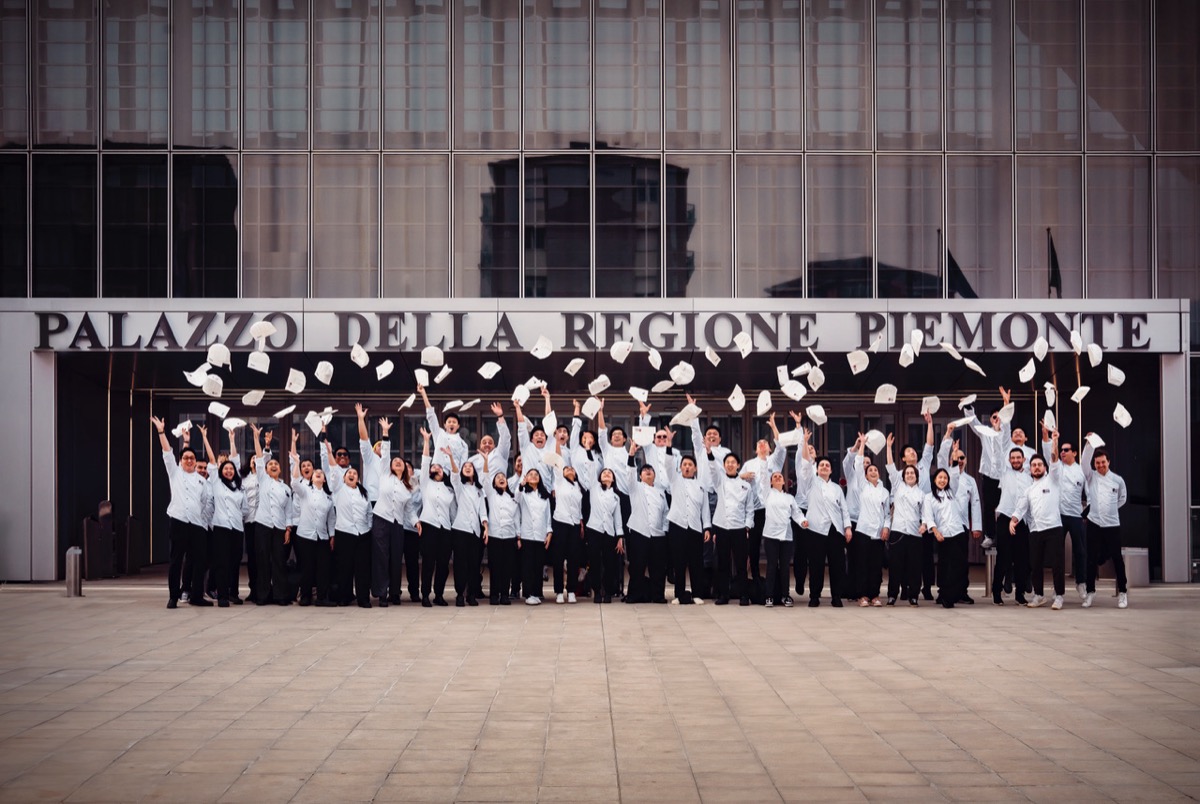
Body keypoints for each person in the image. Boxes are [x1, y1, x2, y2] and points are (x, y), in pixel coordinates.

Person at [150, 416, 213, 609]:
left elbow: (204, 504)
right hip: (178, 521)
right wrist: (161, 431)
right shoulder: (175, 473)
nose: (189, 460)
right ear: (181, 460)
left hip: (197, 526)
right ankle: (173, 596)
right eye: (185, 458)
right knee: (176, 560)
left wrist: (203, 525)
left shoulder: (202, 480)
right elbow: (167, 452)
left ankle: (196, 596)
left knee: (198, 561)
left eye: (192, 458)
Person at [1010, 430, 1067, 610]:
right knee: (1035, 565)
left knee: (1057, 565)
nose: (1036, 467)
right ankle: (1039, 595)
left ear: (1045, 467)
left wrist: (1055, 442)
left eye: (1039, 465)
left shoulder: (1053, 479)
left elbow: (1054, 458)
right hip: (1035, 531)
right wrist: (1013, 520)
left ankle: (1059, 596)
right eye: (1033, 465)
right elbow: (1020, 508)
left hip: (1054, 528)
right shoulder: (1028, 489)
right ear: (1030, 467)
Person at [798, 436, 853, 608]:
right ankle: (814, 596)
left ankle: (836, 596)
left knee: (837, 565)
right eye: (821, 465)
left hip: (835, 531)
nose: (824, 467)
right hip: (816, 530)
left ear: (831, 470)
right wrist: (805, 443)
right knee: (816, 565)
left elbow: (844, 510)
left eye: (827, 466)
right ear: (817, 469)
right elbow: (806, 463)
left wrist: (848, 528)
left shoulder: (837, 488)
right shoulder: (810, 482)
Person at [199, 429, 248, 608]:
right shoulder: (216, 483)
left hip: (236, 529)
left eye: (231, 469)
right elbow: (212, 461)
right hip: (220, 528)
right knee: (221, 563)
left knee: (235, 562)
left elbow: (244, 508)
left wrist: (232, 440)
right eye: (225, 468)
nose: (228, 470)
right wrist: (205, 438)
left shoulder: (238, 486)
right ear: (221, 471)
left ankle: (233, 593)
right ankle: (222, 596)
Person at [1080, 439, 1130, 609]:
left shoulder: (1118, 480)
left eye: (1103, 462)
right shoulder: (1090, 476)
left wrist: (1111, 510)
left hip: (1112, 525)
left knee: (1117, 559)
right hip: (1094, 523)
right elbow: (1084, 462)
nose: (1100, 465)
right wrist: (1089, 443)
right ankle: (1090, 593)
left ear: (1108, 462)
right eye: (1097, 462)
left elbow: (1122, 498)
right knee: (1091, 559)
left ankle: (1123, 592)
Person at [740, 413, 787, 593]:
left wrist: (774, 426)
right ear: (755, 448)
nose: (762, 445)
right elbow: (738, 484)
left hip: (772, 508)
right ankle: (756, 576)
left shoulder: (774, 460)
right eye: (759, 443)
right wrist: (742, 476)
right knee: (753, 543)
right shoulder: (748, 464)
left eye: (765, 443)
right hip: (755, 509)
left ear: (769, 448)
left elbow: (781, 447)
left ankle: (774, 576)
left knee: (773, 543)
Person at [289, 436, 336, 607]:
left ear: (324, 479)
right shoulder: (305, 491)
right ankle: (306, 596)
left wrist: (332, 536)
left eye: (320, 473)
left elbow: (331, 519)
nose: (317, 474)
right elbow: (294, 482)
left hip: (322, 537)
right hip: (304, 535)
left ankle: (322, 598)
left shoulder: (329, 498)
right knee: (307, 568)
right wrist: (296, 462)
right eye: (316, 473)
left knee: (323, 568)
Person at [324, 450, 373, 608]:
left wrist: (368, 529)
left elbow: (369, 514)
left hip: (363, 534)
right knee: (344, 567)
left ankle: (363, 599)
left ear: (358, 478)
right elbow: (333, 468)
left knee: (362, 568)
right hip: (344, 533)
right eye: (349, 473)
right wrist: (328, 450)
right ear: (344, 478)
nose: (352, 474)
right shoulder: (338, 489)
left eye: (354, 473)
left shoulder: (364, 493)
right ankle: (344, 597)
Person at [662, 444, 711, 604]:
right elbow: (668, 465)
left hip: (695, 527)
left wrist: (707, 527)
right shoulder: (675, 480)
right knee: (679, 561)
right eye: (684, 465)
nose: (687, 467)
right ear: (680, 468)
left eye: (690, 465)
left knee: (696, 561)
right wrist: (669, 446)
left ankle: (697, 593)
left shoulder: (700, 485)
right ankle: (679, 594)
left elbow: (705, 509)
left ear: (695, 468)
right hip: (677, 525)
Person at [250, 422, 292, 605]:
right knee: (263, 561)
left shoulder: (286, 488)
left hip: (280, 528)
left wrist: (288, 529)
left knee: (279, 562)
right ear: (266, 470)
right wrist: (257, 438)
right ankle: (262, 595)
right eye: (271, 464)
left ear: (280, 469)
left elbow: (288, 510)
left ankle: (280, 595)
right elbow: (260, 458)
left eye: (276, 464)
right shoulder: (263, 481)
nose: (273, 465)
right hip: (263, 525)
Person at [706, 449, 755, 606]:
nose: (730, 465)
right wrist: (709, 453)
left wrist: (747, 526)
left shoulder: (746, 486)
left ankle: (744, 596)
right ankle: (723, 595)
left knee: (741, 564)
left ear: (738, 465)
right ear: (724, 465)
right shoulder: (719, 482)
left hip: (739, 528)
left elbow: (750, 509)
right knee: (723, 563)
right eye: (727, 462)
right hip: (722, 527)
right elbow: (713, 469)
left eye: (733, 462)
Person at [1042, 429, 1087, 600]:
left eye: (1066, 450)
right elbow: (1049, 454)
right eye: (1061, 450)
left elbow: (1089, 494)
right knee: (1056, 553)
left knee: (1080, 551)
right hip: (1058, 516)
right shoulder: (1056, 467)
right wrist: (1051, 439)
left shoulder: (1081, 470)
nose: (1062, 452)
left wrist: (1086, 515)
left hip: (1076, 516)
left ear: (1074, 453)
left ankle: (1081, 583)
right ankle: (1057, 587)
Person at [623, 443, 670, 604]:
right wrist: (631, 454)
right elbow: (629, 474)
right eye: (644, 471)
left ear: (655, 476)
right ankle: (633, 596)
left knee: (658, 568)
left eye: (650, 471)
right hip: (639, 532)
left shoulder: (661, 492)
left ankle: (658, 596)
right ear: (640, 476)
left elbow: (665, 513)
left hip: (658, 535)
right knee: (637, 566)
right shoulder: (635, 487)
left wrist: (664, 531)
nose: (648, 472)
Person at [417, 427, 457, 607]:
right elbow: (425, 462)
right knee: (428, 563)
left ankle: (439, 594)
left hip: (446, 530)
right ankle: (425, 594)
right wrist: (426, 441)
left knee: (443, 564)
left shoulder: (450, 489)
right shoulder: (426, 484)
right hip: (429, 527)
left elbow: (453, 512)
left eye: (439, 467)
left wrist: (449, 457)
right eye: (434, 467)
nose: (435, 468)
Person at [941, 434, 983, 604]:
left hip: (963, 525)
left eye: (962, 458)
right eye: (956, 457)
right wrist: (950, 446)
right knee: (945, 561)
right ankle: (943, 592)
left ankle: (961, 591)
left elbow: (975, 503)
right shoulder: (944, 477)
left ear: (966, 460)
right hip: (944, 525)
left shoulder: (970, 480)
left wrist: (976, 527)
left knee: (961, 561)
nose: (959, 460)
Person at [444, 447, 488, 607]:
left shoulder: (479, 490)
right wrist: (451, 458)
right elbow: (454, 475)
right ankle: (460, 594)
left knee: (474, 564)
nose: (468, 468)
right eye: (465, 467)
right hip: (460, 530)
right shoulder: (460, 487)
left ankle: (471, 594)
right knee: (460, 564)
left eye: (470, 466)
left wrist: (486, 527)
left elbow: (483, 511)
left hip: (475, 531)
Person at [885, 444, 927, 606]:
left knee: (915, 567)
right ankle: (892, 595)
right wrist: (889, 447)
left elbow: (925, 514)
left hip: (915, 534)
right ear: (903, 476)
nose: (909, 475)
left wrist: (924, 525)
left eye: (912, 473)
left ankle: (914, 595)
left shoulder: (921, 494)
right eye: (907, 473)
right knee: (895, 566)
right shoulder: (898, 485)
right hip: (898, 532)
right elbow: (890, 466)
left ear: (917, 476)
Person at [850, 444, 891, 607]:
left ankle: (874, 595)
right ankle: (863, 595)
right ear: (865, 476)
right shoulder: (863, 487)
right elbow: (859, 464)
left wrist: (886, 527)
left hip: (879, 534)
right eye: (870, 471)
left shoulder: (885, 491)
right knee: (862, 565)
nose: (873, 472)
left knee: (876, 566)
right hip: (863, 532)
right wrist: (861, 445)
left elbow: (887, 514)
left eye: (875, 470)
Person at [994, 445, 1033, 605]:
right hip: (1005, 518)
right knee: (1003, 558)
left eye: (1019, 458)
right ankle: (996, 593)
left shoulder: (1030, 477)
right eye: (1013, 458)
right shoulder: (1004, 472)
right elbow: (996, 455)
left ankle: (1020, 594)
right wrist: (997, 430)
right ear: (1009, 460)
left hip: (1022, 522)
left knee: (1022, 559)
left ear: (1024, 460)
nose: (1016, 460)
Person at [760, 472, 806, 608]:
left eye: (780, 476)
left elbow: (796, 513)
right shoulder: (767, 494)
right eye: (775, 477)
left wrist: (803, 521)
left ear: (784, 482)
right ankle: (769, 596)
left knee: (785, 567)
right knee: (771, 565)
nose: (778, 477)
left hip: (786, 536)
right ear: (771, 482)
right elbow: (763, 478)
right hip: (771, 535)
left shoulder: (790, 498)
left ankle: (785, 595)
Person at [923, 468, 966, 609]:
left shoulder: (951, 492)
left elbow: (954, 476)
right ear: (934, 480)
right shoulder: (929, 497)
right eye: (940, 477)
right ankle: (944, 595)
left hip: (958, 532)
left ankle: (951, 595)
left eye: (945, 478)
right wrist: (935, 532)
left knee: (958, 566)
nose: (942, 480)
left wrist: (954, 458)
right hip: (942, 535)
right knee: (944, 566)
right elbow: (928, 517)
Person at [550, 449, 586, 604]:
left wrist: (581, 523)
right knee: (558, 559)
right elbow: (558, 461)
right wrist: (557, 441)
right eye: (566, 468)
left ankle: (571, 590)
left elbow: (578, 507)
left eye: (572, 468)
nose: (569, 469)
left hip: (575, 524)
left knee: (574, 558)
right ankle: (559, 591)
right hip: (560, 523)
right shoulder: (559, 482)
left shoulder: (578, 486)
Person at [584, 467, 624, 603]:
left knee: (609, 563)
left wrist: (620, 537)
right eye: (604, 473)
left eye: (609, 473)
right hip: (594, 529)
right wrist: (588, 449)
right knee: (594, 562)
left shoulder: (616, 496)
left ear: (613, 479)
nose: (607, 474)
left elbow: (617, 518)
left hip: (609, 532)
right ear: (599, 477)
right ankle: (596, 591)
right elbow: (590, 469)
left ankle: (608, 591)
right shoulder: (594, 489)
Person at [483, 461, 520, 605]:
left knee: (507, 567)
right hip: (494, 536)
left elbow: (516, 518)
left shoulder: (512, 499)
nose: (501, 478)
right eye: (498, 477)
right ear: (494, 483)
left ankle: (505, 594)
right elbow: (486, 478)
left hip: (510, 536)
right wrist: (486, 461)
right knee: (495, 567)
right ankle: (494, 595)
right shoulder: (491, 495)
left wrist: (518, 536)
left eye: (503, 476)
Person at [516, 468, 553, 605]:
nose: (533, 476)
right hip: (527, 534)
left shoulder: (545, 496)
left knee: (539, 565)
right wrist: (521, 484)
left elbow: (548, 517)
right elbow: (516, 498)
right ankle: (528, 593)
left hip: (540, 534)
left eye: (536, 474)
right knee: (528, 565)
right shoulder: (523, 493)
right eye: (530, 474)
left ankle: (537, 592)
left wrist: (549, 533)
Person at [420, 383, 468, 472]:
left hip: (453, 475)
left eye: (454, 422)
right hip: (438, 471)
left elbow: (463, 465)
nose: (451, 424)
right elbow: (431, 416)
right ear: (445, 425)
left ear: (458, 426)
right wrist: (423, 393)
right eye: (449, 422)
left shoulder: (463, 444)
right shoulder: (439, 434)